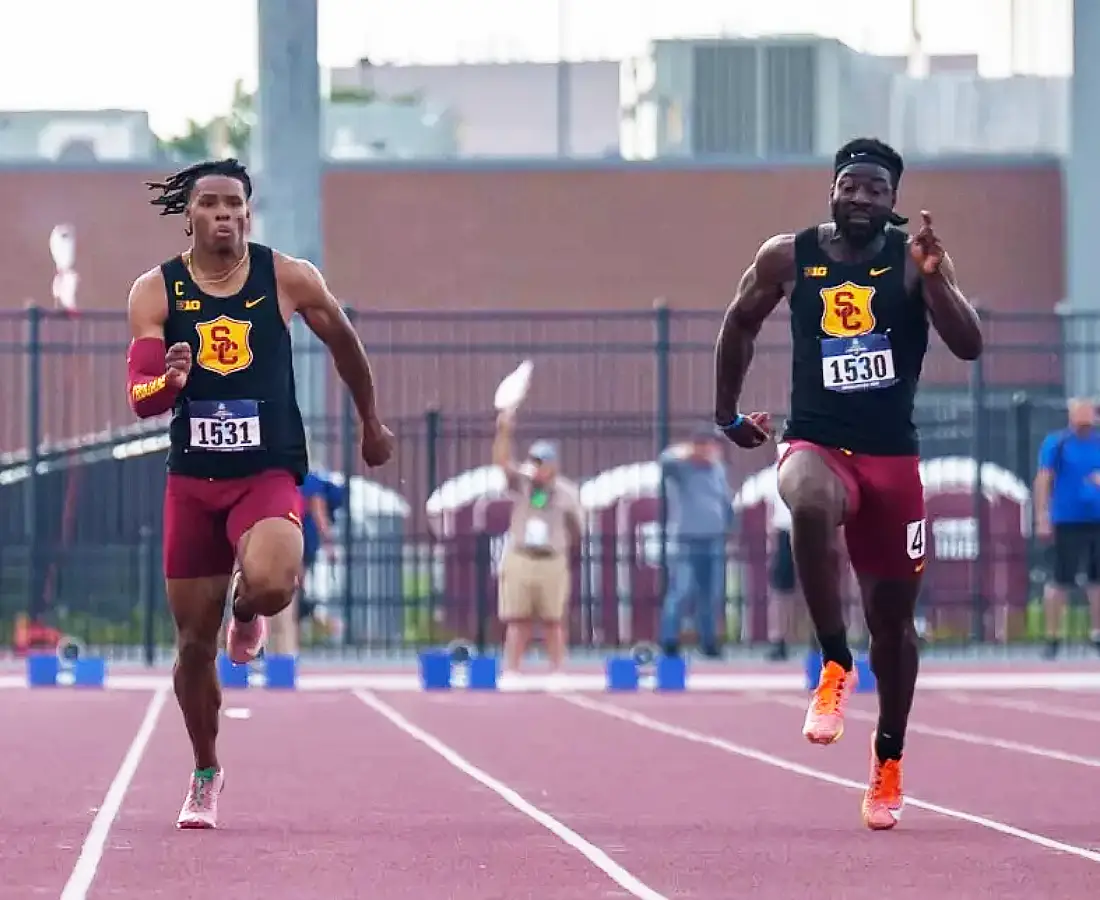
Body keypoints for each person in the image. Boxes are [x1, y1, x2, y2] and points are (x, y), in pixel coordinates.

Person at [713, 138, 982, 831]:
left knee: (892, 626)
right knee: (804, 495)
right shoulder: (789, 256)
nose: (860, 198)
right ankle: (834, 661)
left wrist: (935, 281)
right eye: (849, 186)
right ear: (832, 190)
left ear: (893, 202)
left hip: (891, 459)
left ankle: (888, 757)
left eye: (875, 190)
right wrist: (728, 415)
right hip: (818, 441)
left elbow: (969, 344)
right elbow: (739, 322)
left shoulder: (917, 259)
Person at [125, 159, 394, 829]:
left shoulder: (288, 277)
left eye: (234, 204)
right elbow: (141, 399)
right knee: (193, 647)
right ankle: (205, 771)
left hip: (265, 471)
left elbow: (345, 343)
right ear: (189, 215)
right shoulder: (155, 291)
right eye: (209, 203)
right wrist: (171, 384)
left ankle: (248, 610)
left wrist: (370, 421)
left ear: (248, 213)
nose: (223, 214)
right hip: (193, 482)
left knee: (274, 582)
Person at [492, 411, 583, 681]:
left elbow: (578, 528)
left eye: (543, 463)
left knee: (553, 619)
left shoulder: (567, 492)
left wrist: (566, 544)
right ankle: (512, 669)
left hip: (551, 558)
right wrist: (504, 431)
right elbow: (502, 462)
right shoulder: (521, 484)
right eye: (534, 462)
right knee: (517, 618)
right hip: (522, 556)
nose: (538, 468)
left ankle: (557, 670)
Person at [657, 426, 733, 659]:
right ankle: (669, 640)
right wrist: (689, 452)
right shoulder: (683, 468)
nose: (711, 450)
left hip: (714, 538)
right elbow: (664, 461)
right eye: (706, 445)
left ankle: (708, 642)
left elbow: (724, 500)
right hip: (687, 539)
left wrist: (728, 524)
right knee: (682, 590)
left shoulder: (718, 469)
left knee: (710, 594)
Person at [1034, 398, 1100, 658]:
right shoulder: (1057, 444)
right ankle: (1053, 637)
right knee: (1061, 579)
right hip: (1067, 520)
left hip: (1096, 520)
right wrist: (1042, 516)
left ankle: (1096, 633)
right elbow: (1044, 479)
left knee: (1097, 580)